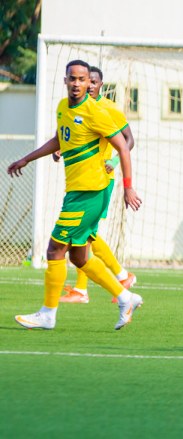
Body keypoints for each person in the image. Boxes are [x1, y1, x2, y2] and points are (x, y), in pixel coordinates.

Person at [7, 59, 143, 330]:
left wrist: (128, 187)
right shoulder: (62, 107)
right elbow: (60, 139)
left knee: (55, 248)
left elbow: (124, 146)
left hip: (90, 192)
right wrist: (27, 159)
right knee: (79, 257)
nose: (77, 84)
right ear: (66, 80)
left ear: (90, 82)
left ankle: (48, 314)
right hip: (76, 191)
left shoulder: (96, 111)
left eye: (83, 79)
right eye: (73, 78)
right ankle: (125, 297)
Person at [58, 65, 138, 304]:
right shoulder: (76, 108)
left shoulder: (108, 109)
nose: (89, 86)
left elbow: (128, 141)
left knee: (83, 236)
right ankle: (119, 277)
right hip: (84, 179)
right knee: (88, 236)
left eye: (93, 82)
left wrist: (114, 161)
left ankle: (87, 288)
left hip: (101, 180)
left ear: (100, 85)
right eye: (87, 81)